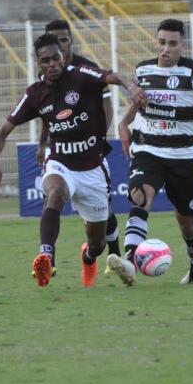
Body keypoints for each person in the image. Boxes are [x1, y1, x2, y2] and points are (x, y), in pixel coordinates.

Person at [0, 33, 146, 288]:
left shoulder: (81, 76)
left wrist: (133, 87)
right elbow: (2, 132)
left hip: (92, 169)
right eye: (45, 60)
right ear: (38, 63)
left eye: (56, 58)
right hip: (60, 162)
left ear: (63, 57)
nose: (52, 64)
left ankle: (88, 257)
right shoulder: (35, 94)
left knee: (97, 244)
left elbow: (113, 77)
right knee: (56, 193)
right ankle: (47, 257)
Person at [106, 18, 193, 286]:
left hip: (183, 156)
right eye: (162, 42)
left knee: (188, 223)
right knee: (140, 197)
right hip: (148, 149)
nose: (165, 49)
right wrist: (124, 123)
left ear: (182, 45)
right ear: (156, 42)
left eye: (172, 44)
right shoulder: (143, 69)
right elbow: (139, 104)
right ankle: (129, 261)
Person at [39, 19, 122, 258]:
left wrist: (99, 136)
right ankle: (47, 255)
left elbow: (106, 105)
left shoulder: (87, 68)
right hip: (61, 152)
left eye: (64, 39)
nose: (61, 45)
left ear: (70, 40)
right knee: (55, 194)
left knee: (104, 211)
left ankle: (110, 256)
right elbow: (48, 112)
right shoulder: (46, 72)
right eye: (56, 41)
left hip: (91, 150)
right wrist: (43, 143)